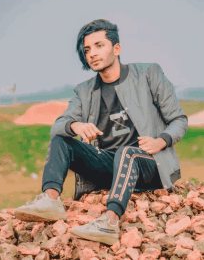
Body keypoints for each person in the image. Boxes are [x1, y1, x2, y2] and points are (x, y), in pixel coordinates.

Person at [14, 19, 188, 246]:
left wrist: (160, 141)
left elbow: (179, 120)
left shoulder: (148, 73)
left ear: (116, 48)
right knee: (61, 139)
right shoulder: (84, 91)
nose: (92, 54)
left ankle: (110, 221)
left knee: (127, 152)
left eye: (99, 46)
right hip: (110, 167)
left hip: (149, 162)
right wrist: (75, 126)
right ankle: (50, 200)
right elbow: (58, 125)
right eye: (87, 50)